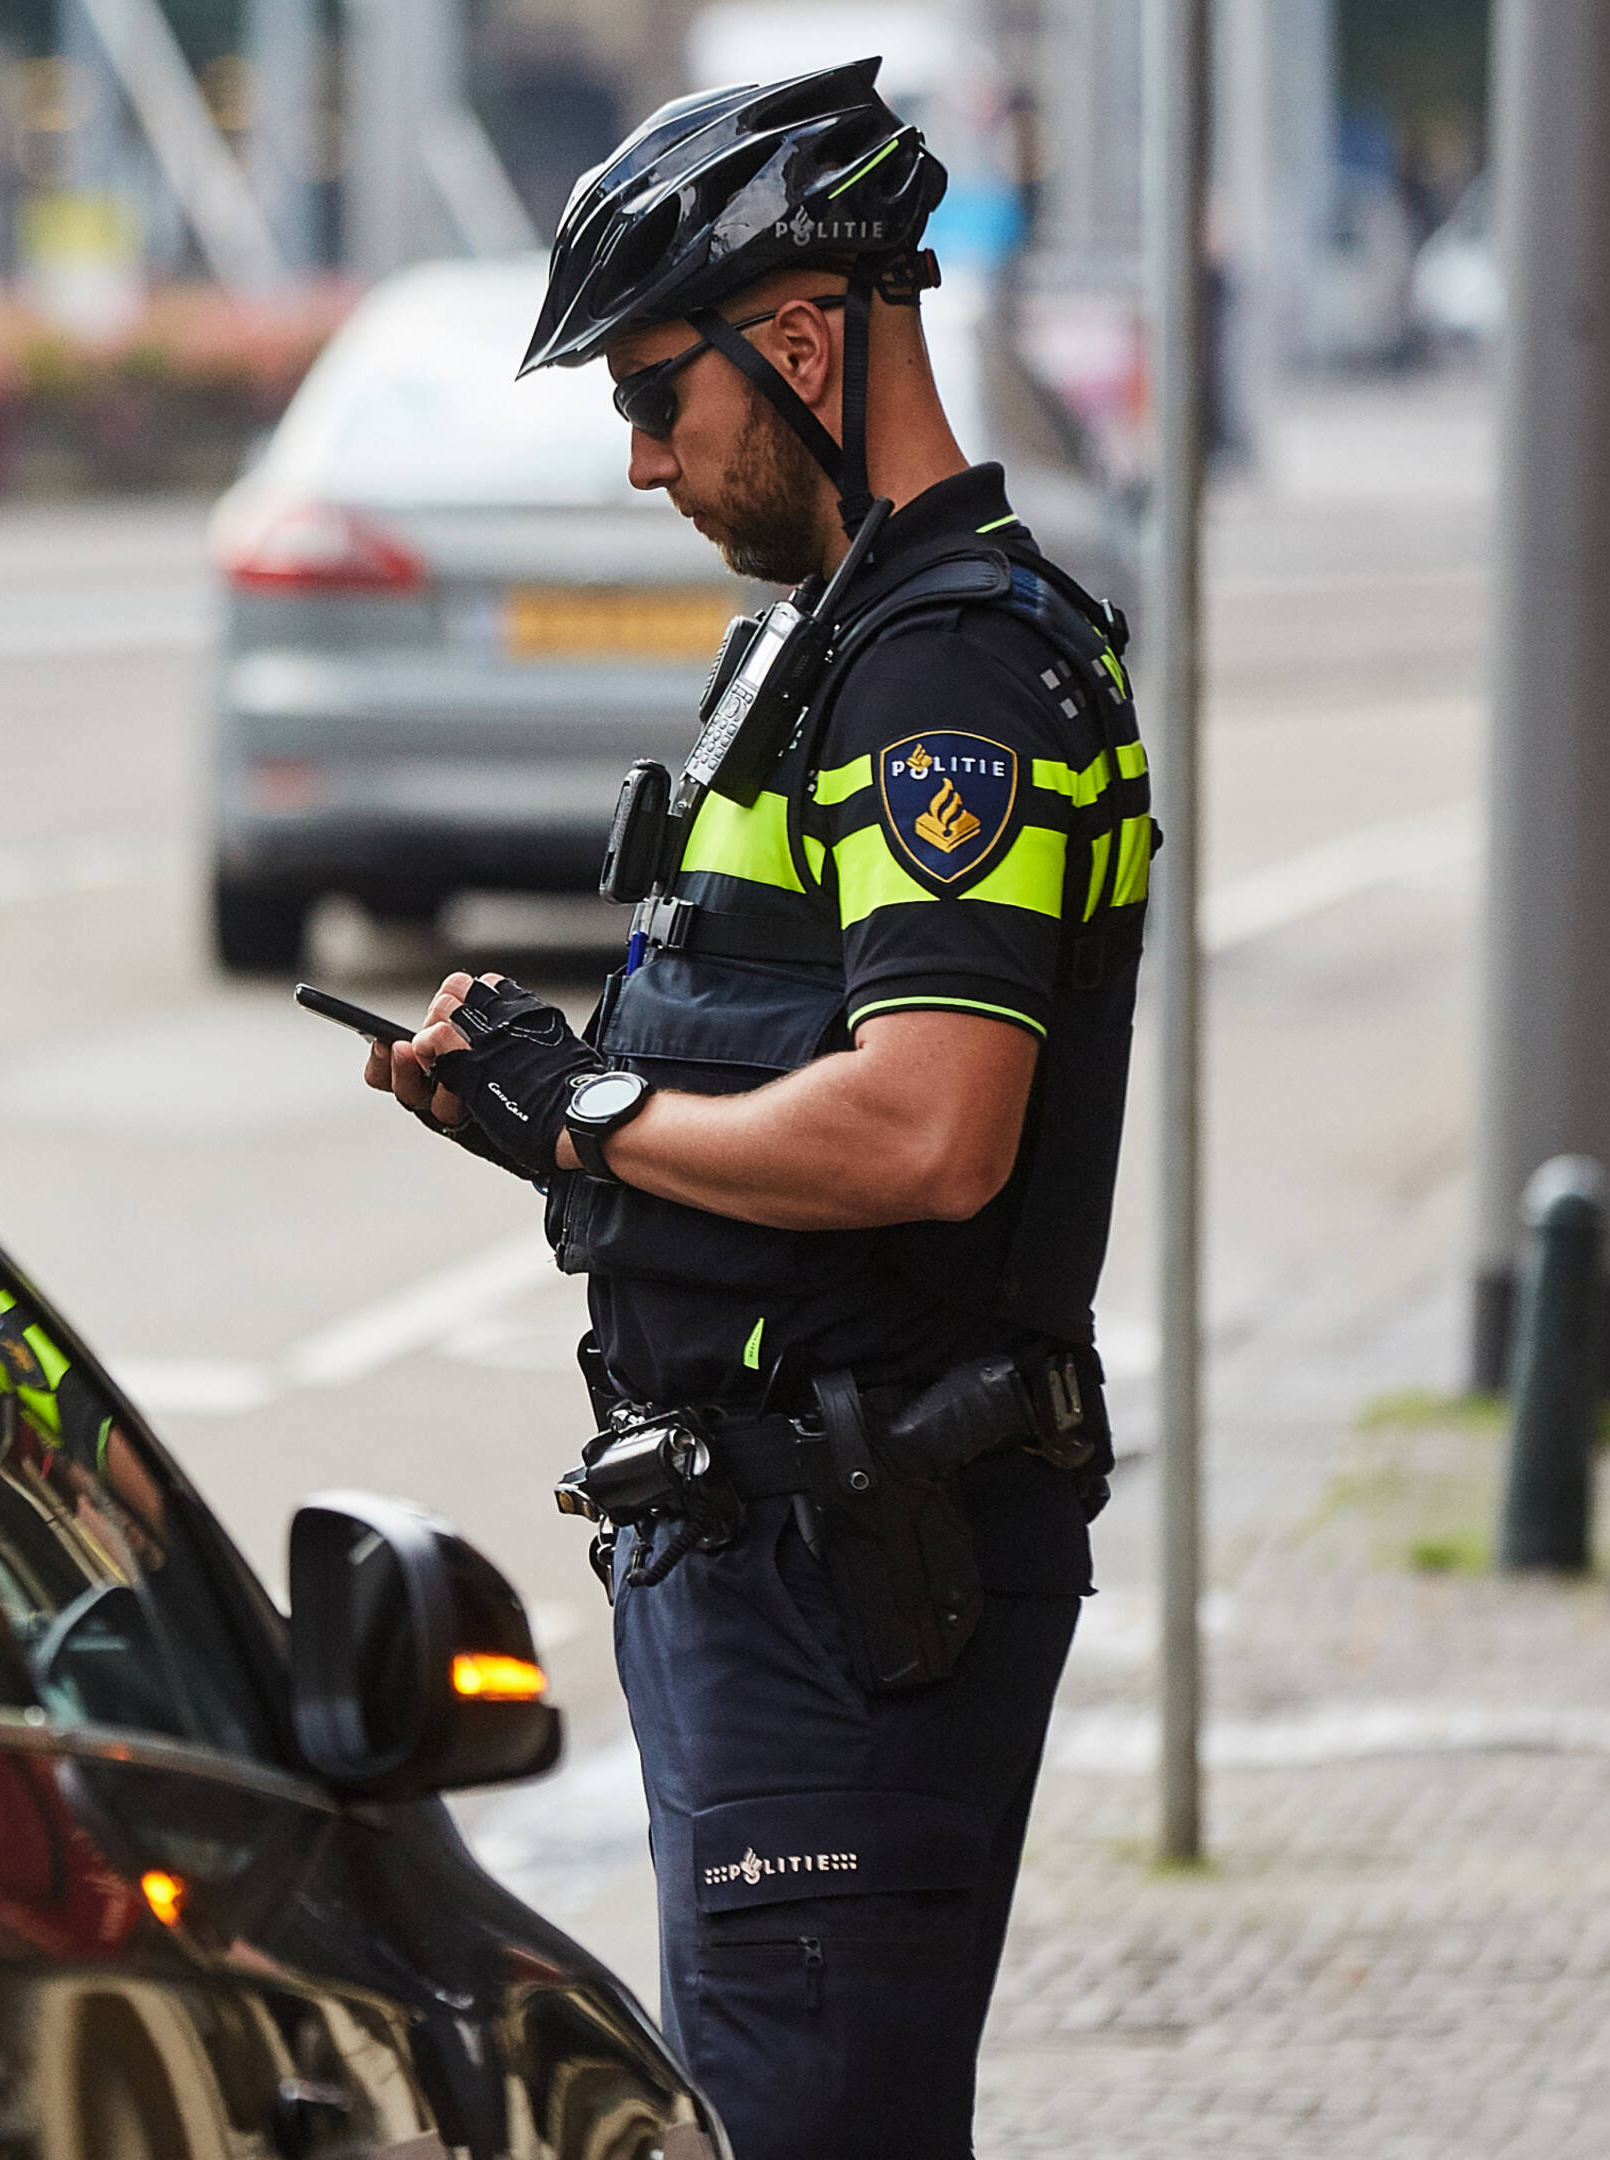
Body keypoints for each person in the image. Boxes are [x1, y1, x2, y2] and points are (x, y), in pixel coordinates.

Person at [358, 62, 1152, 2160]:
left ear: (798, 342)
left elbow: (927, 1133)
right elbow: (782, 1050)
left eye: (654, 396)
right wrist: (543, 1107)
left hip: (855, 1580)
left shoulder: (951, 679)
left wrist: (591, 1114)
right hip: (768, 1564)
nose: (642, 463)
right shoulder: (844, 649)